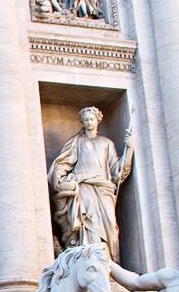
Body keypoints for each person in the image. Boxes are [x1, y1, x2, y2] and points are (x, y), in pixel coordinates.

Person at [47, 106, 134, 259]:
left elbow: (117, 172)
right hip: (84, 186)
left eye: (91, 119)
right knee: (87, 222)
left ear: (98, 120)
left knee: (110, 227)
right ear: (82, 122)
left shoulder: (106, 143)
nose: (89, 122)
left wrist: (129, 149)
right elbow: (64, 163)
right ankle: (89, 260)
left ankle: (109, 263)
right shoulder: (76, 142)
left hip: (103, 188)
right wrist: (58, 178)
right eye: (85, 119)